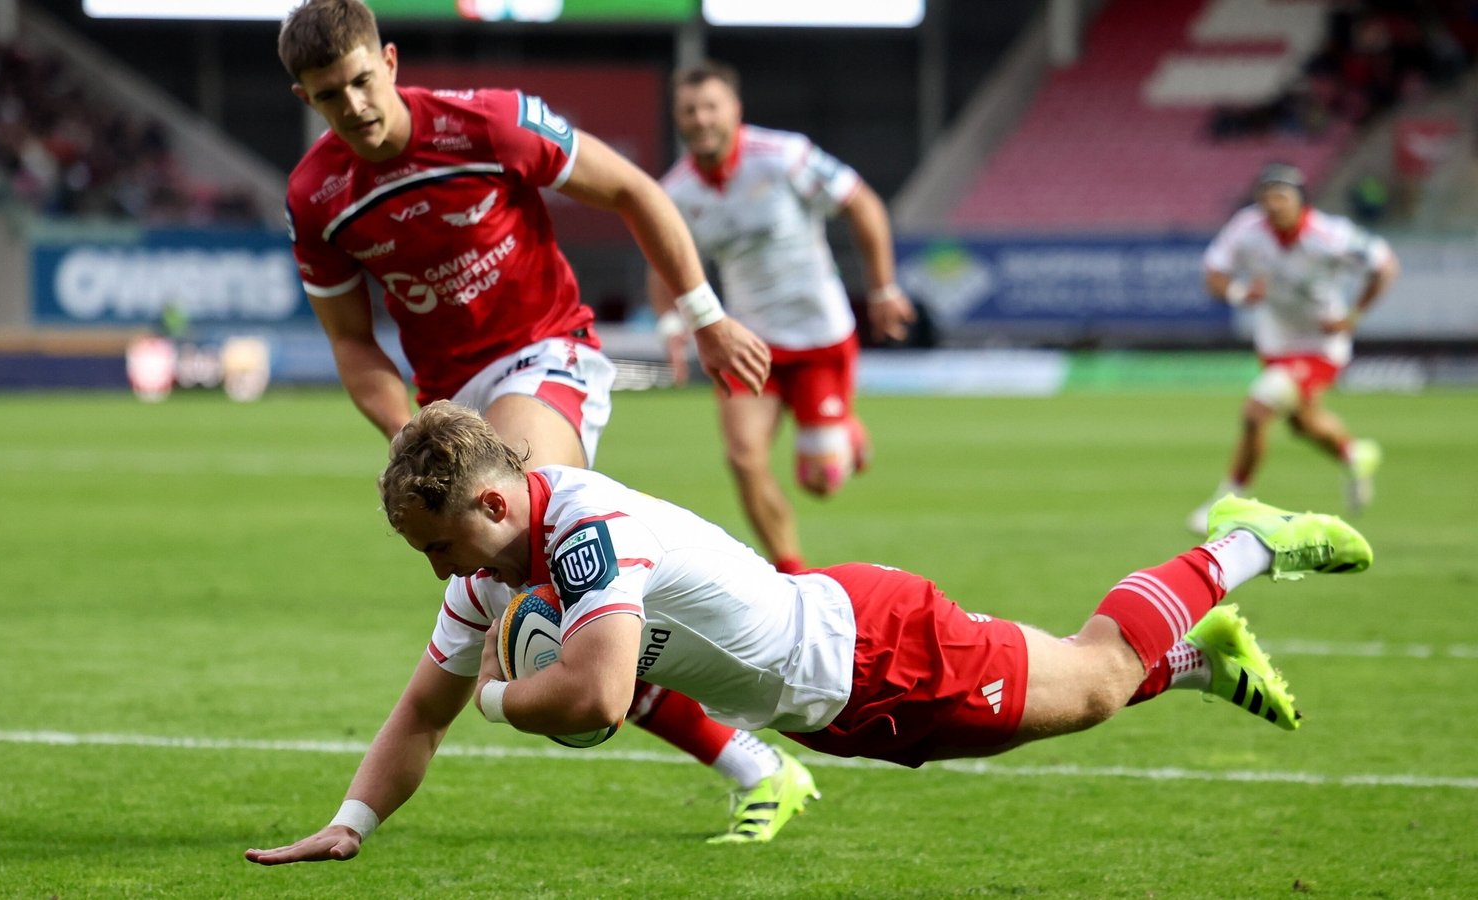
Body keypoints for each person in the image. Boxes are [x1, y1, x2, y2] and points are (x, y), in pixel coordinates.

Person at [244, 401, 1374, 865]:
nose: (437, 573)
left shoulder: (583, 530)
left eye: (437, 545)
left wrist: (500, 695)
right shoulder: (494, 581)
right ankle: (1203, 657)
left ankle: (1244, 541)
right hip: (835, 699)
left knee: (1090, 676)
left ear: (491, 506)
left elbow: (589, 701)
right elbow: (418, 711)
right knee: (1073, 700)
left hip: (875, 653)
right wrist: (348, 825)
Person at [275, 0, 811, 843]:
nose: (355, 107)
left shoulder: (487, 121)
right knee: (545, 609)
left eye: (361, 81)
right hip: (446, 404)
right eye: (328, 95)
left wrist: (705, 315)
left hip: (545, 356)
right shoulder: (317, 197)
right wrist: (407, 433)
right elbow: (353, 344)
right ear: (307, 100)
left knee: (528, 582)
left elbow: (632, 189)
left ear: (391, 60)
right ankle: (754, 763)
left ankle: (755, 752)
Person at [649, 60, 917, 574]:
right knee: (743, 458)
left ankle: (846, 434)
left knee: (820, 484)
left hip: (820, 338)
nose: (701, 119)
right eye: (689, 110)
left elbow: (863, 205)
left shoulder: (785, 157)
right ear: (678, 118)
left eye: (711, 107)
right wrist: (671, 326)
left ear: (735, 111)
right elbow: (663, 264)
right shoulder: (675, 192)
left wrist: (882, 288)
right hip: (748, 344)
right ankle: (793, 575)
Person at [1187, 162, 1399, 535]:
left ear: (1301, 201)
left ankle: (1229, 503)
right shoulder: (1246, 229)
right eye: (1266, 196)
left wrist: (1353, 315)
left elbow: (1385, 265)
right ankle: (1355, 454)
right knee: (1303, 424)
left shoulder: (1330, 235)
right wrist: (1238, 292)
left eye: (1281, 196)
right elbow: (1214, 273)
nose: (1273, 204)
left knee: (1257, 410)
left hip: (1320, 343)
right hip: (1276, 340)